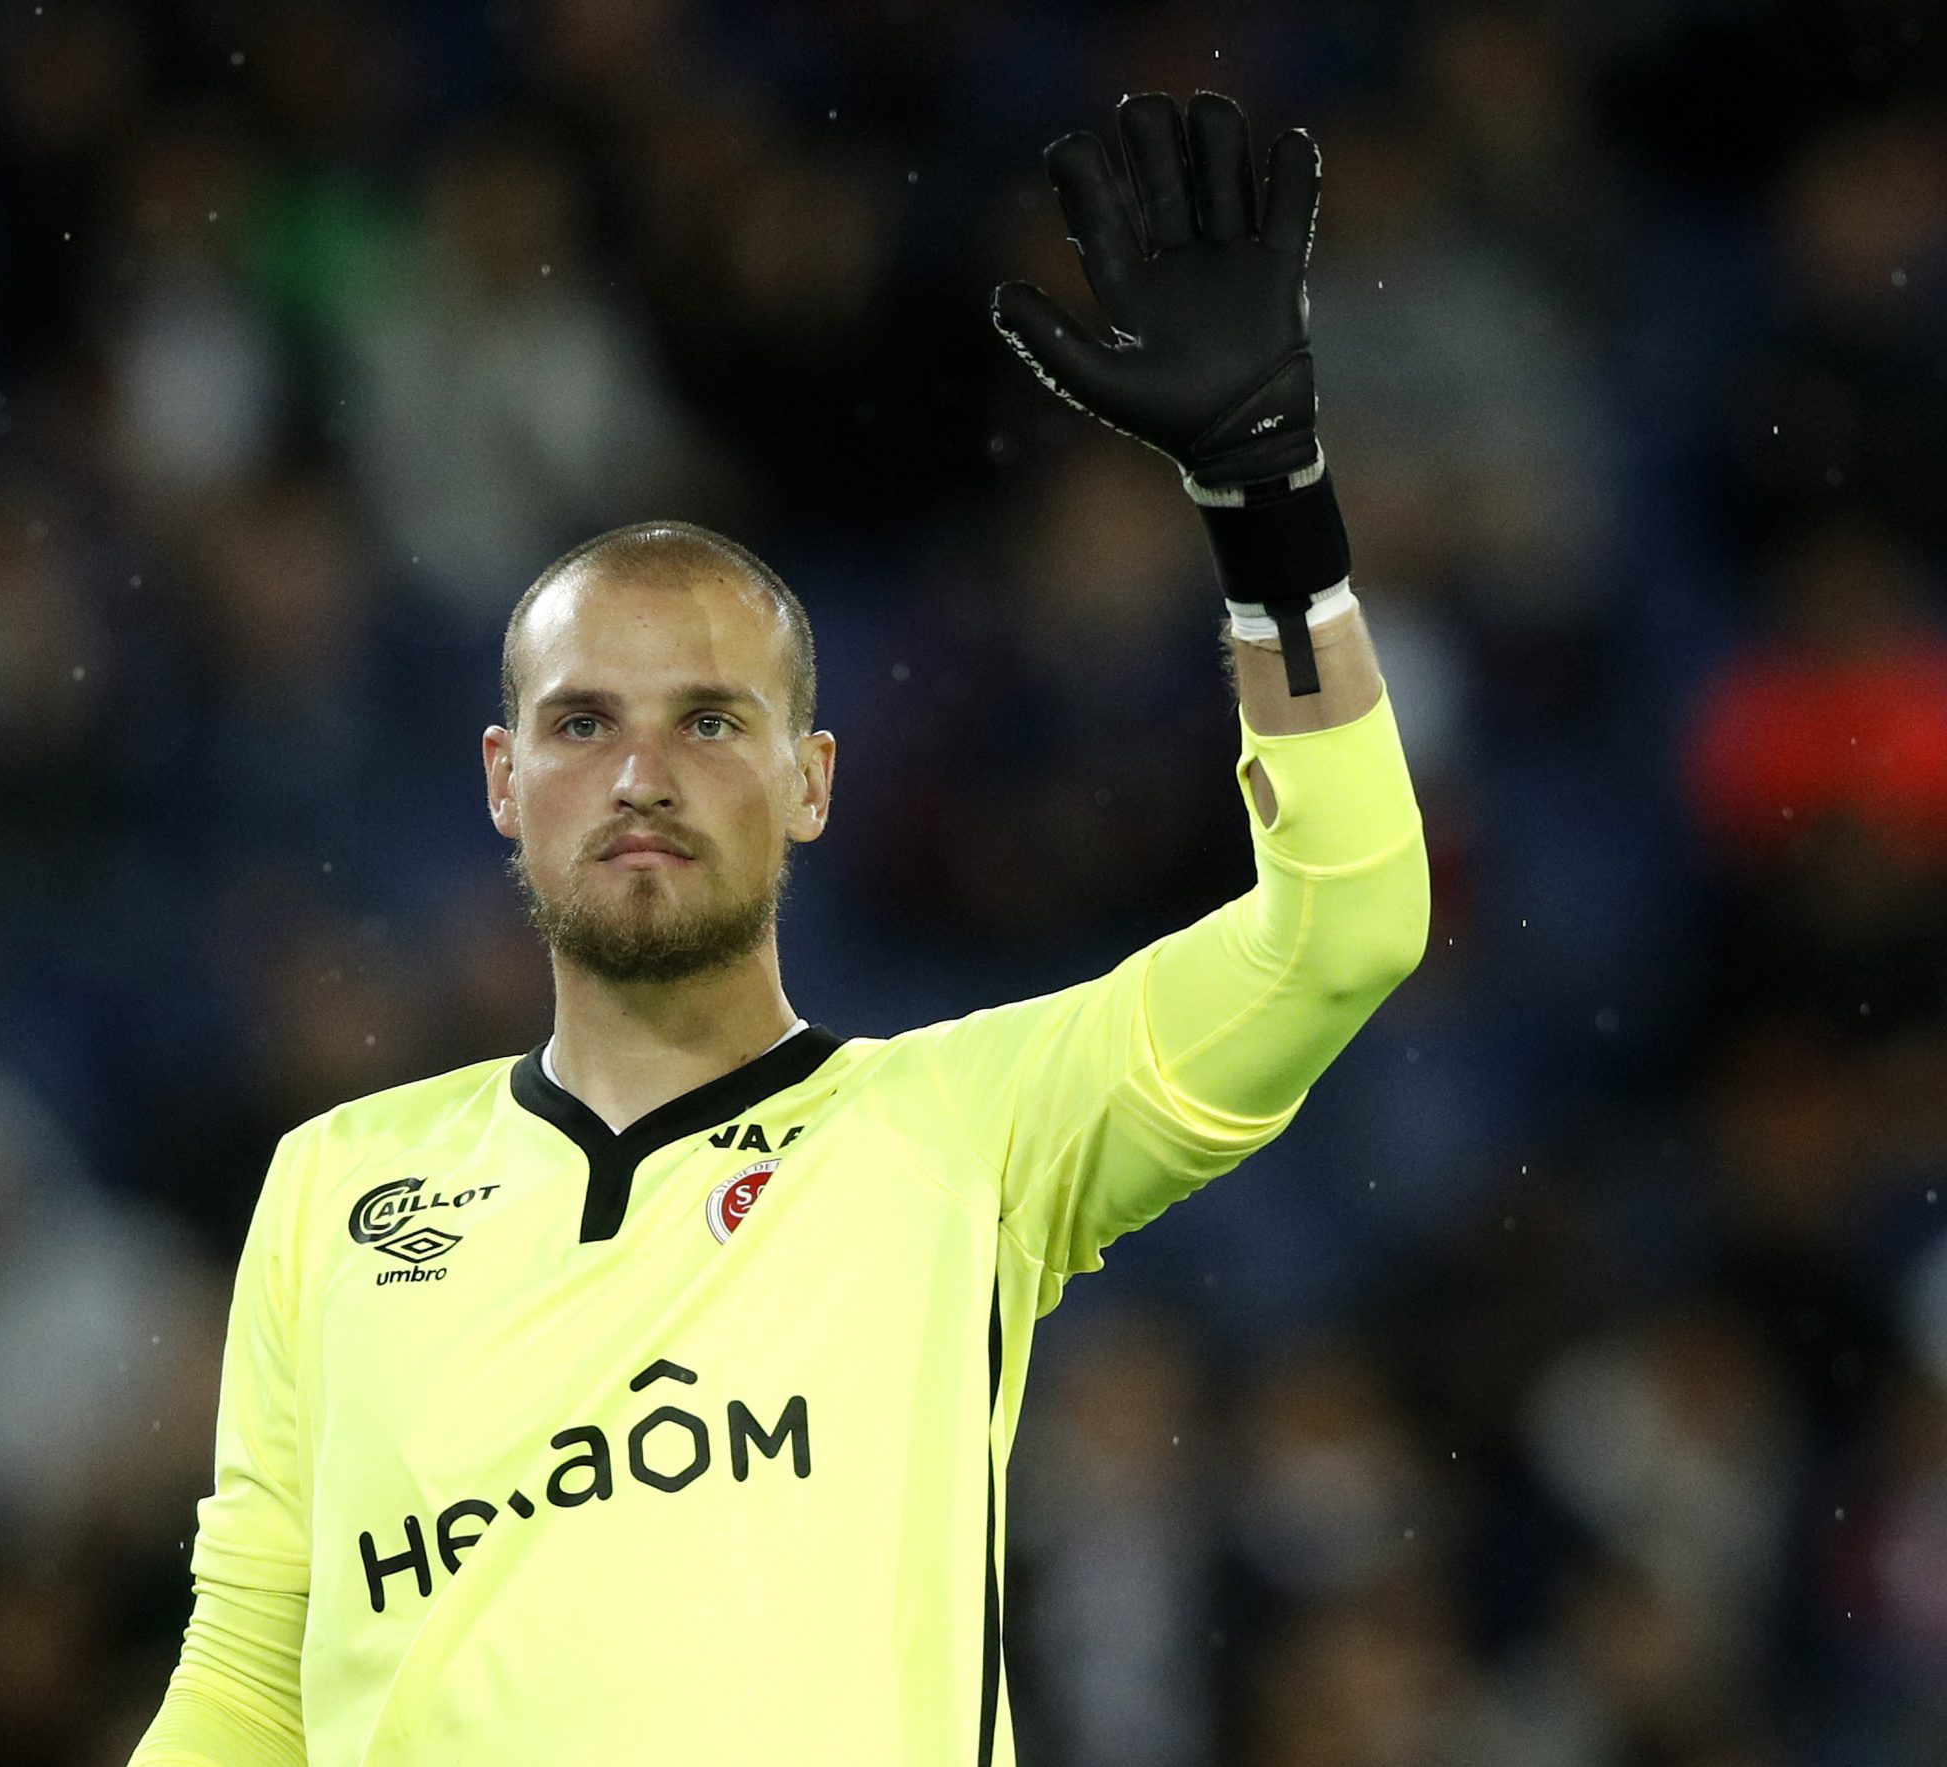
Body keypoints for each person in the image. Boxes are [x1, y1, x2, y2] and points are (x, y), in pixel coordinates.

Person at [128, 90, 1429, 1765]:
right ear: (501, 783)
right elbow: (246, 1680)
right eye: (583, 723)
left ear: (814, 781)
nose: (644, 775)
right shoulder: (337, 1191)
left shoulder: (960, 1138)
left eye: (714, 723)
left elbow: (1349, 926)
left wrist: (1270, 509)